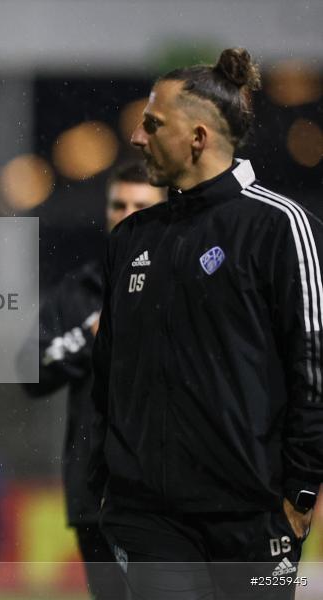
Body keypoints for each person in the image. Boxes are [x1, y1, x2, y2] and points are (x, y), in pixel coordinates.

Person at [91, 47, 323, 599]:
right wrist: (112, 487)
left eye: (153, 124)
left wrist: (302, 491)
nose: (137, 137)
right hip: (149, 520)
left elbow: (313, 365)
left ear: (198, 137)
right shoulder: (130, 240)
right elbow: (109, 377)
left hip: (256, 517)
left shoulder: (280, 225)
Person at [22, 162, 163, 600]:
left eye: (141, 205)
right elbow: (32, 371)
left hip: (166, 491)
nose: (128, 213)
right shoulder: (80, 290)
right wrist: (91, 335)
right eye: (119, 204)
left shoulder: (188, 281)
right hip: (94, 492)